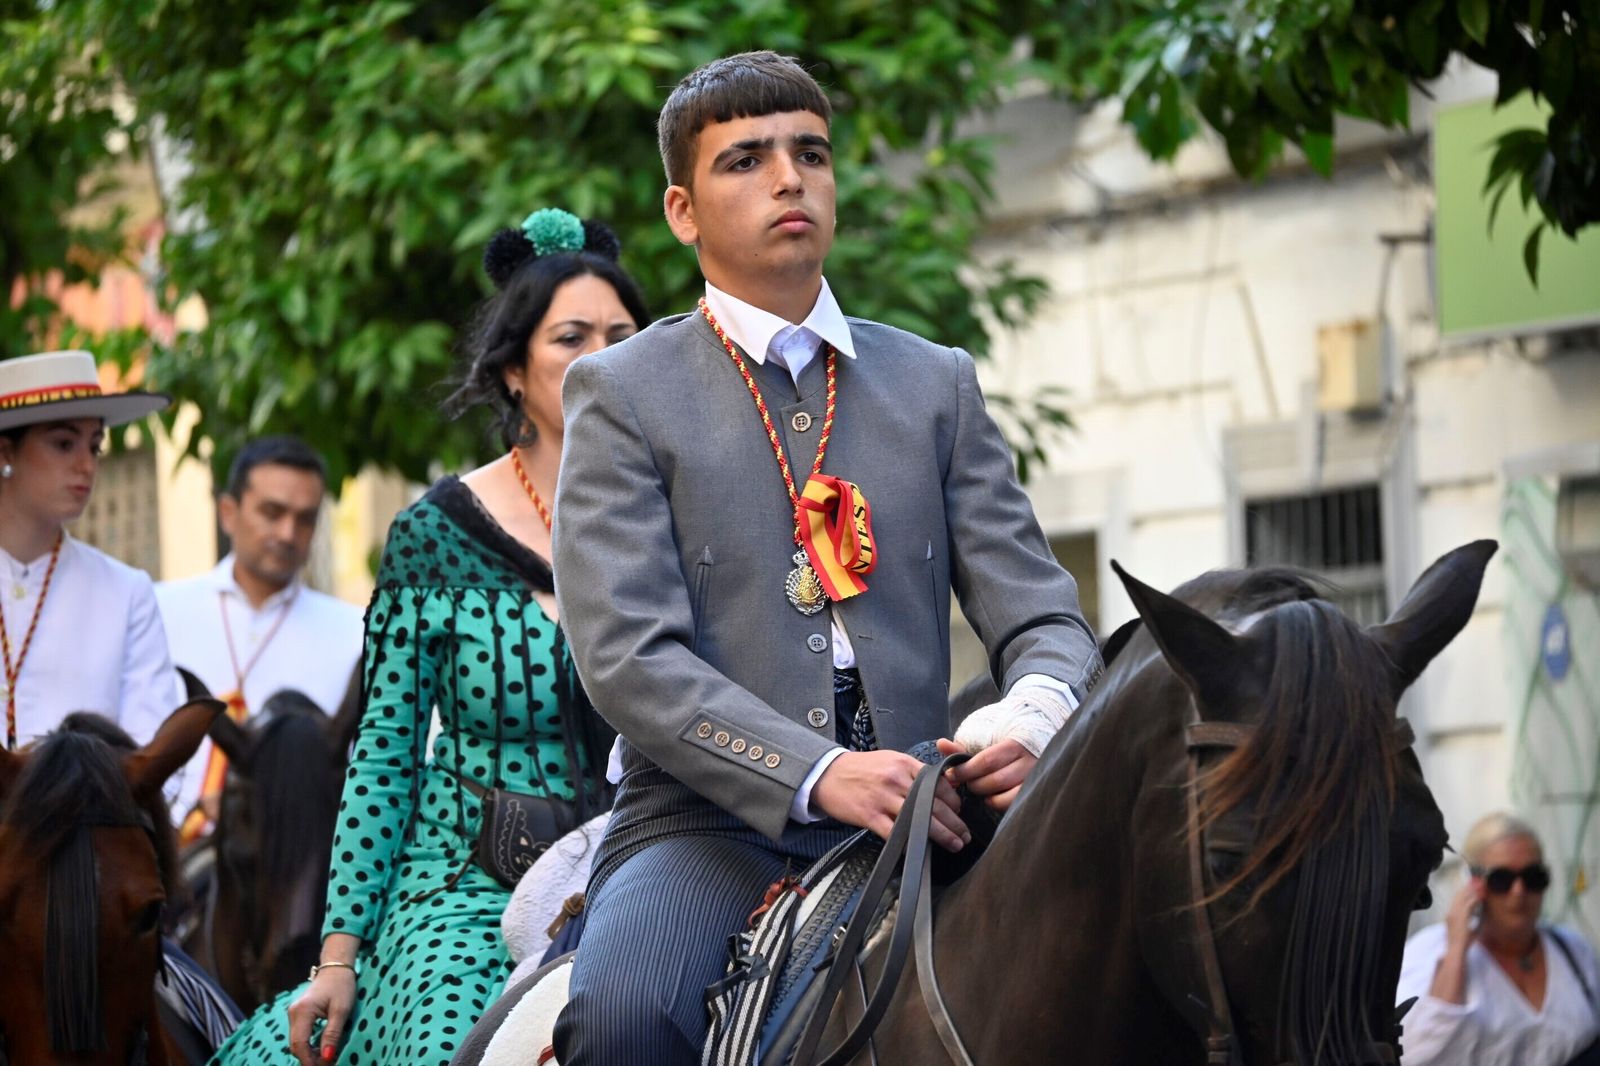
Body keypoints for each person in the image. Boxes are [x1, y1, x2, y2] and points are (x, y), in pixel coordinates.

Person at [551, 52, 1101, 1064]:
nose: (788, 178)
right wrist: (819, 772)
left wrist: (1031, 715)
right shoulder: (621, 392)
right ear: (683, 211)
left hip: (932, 804)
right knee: (620, 1020)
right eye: (745, 159)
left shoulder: (935, 383)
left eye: (810, 153)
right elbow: (628, 657)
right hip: (705, 822)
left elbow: (1042, 618)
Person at [209, 208, 650, 1066]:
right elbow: (383, 754)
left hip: (637, 873)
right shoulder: (435, 534)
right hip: (464, 890)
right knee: (455, 1043)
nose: (600, 356)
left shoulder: (674, 517)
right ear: (516, 371)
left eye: (621, 335)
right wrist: (338, 957)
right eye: (571, 337)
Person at [158, 435, 363, 840]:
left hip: (291, 860)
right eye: (272, 512)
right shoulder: (158, 609)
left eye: (305, 519)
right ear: (228, 512)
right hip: (168, 848)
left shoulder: (355, 631)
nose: (288, 533)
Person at [0, 349, 180, 752]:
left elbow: (152, 760)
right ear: (6, 453)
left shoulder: (126, 591)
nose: (86, 465)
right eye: (64, 444)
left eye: (95, 447)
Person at [1397, 812, 1600, 1066]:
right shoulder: (1427, 952)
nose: (1519, 892)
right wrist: (1457, 948)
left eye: (1533, 877)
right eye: (1501, 879)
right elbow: (1416, 1052)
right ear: (1473, 882)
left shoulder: (1573, 949)